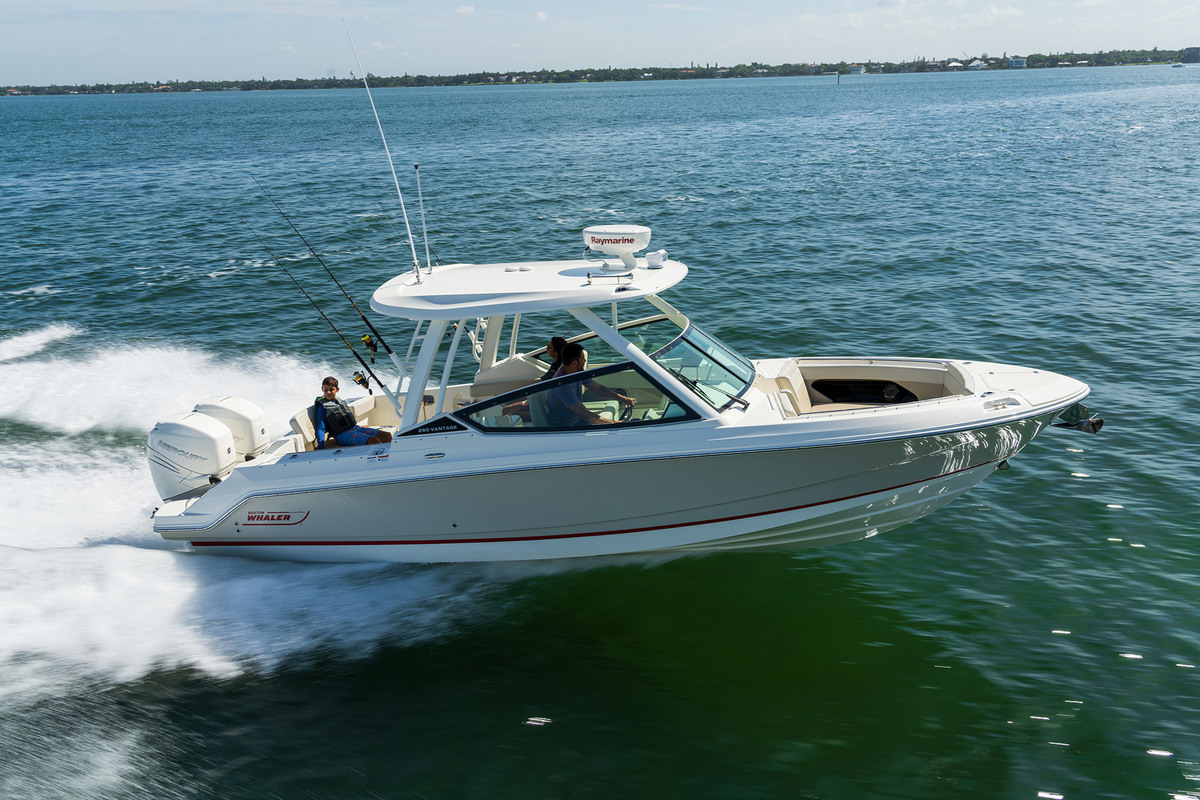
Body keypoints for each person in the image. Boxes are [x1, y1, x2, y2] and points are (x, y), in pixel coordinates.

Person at [545, 342, 635, 426]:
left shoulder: (574, 371)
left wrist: (623, 398)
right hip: (569, 427)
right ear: (574, 363)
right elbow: (584, 414)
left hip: (579, 420)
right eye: (583, 358)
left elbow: (599, 389)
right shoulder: (562, 385)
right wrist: (614, 423)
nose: (585, 361)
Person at [313, 376, 392, 449]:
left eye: (331, 390)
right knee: (373, 440)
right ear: (322, 389)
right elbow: (321, 428)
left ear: (337, 390)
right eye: (325, 389)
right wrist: (321, 448)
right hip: (342, 435)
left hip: (355, 428)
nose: (328, 392)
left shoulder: (339, 402)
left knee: (386, 436)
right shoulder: (322, 407)